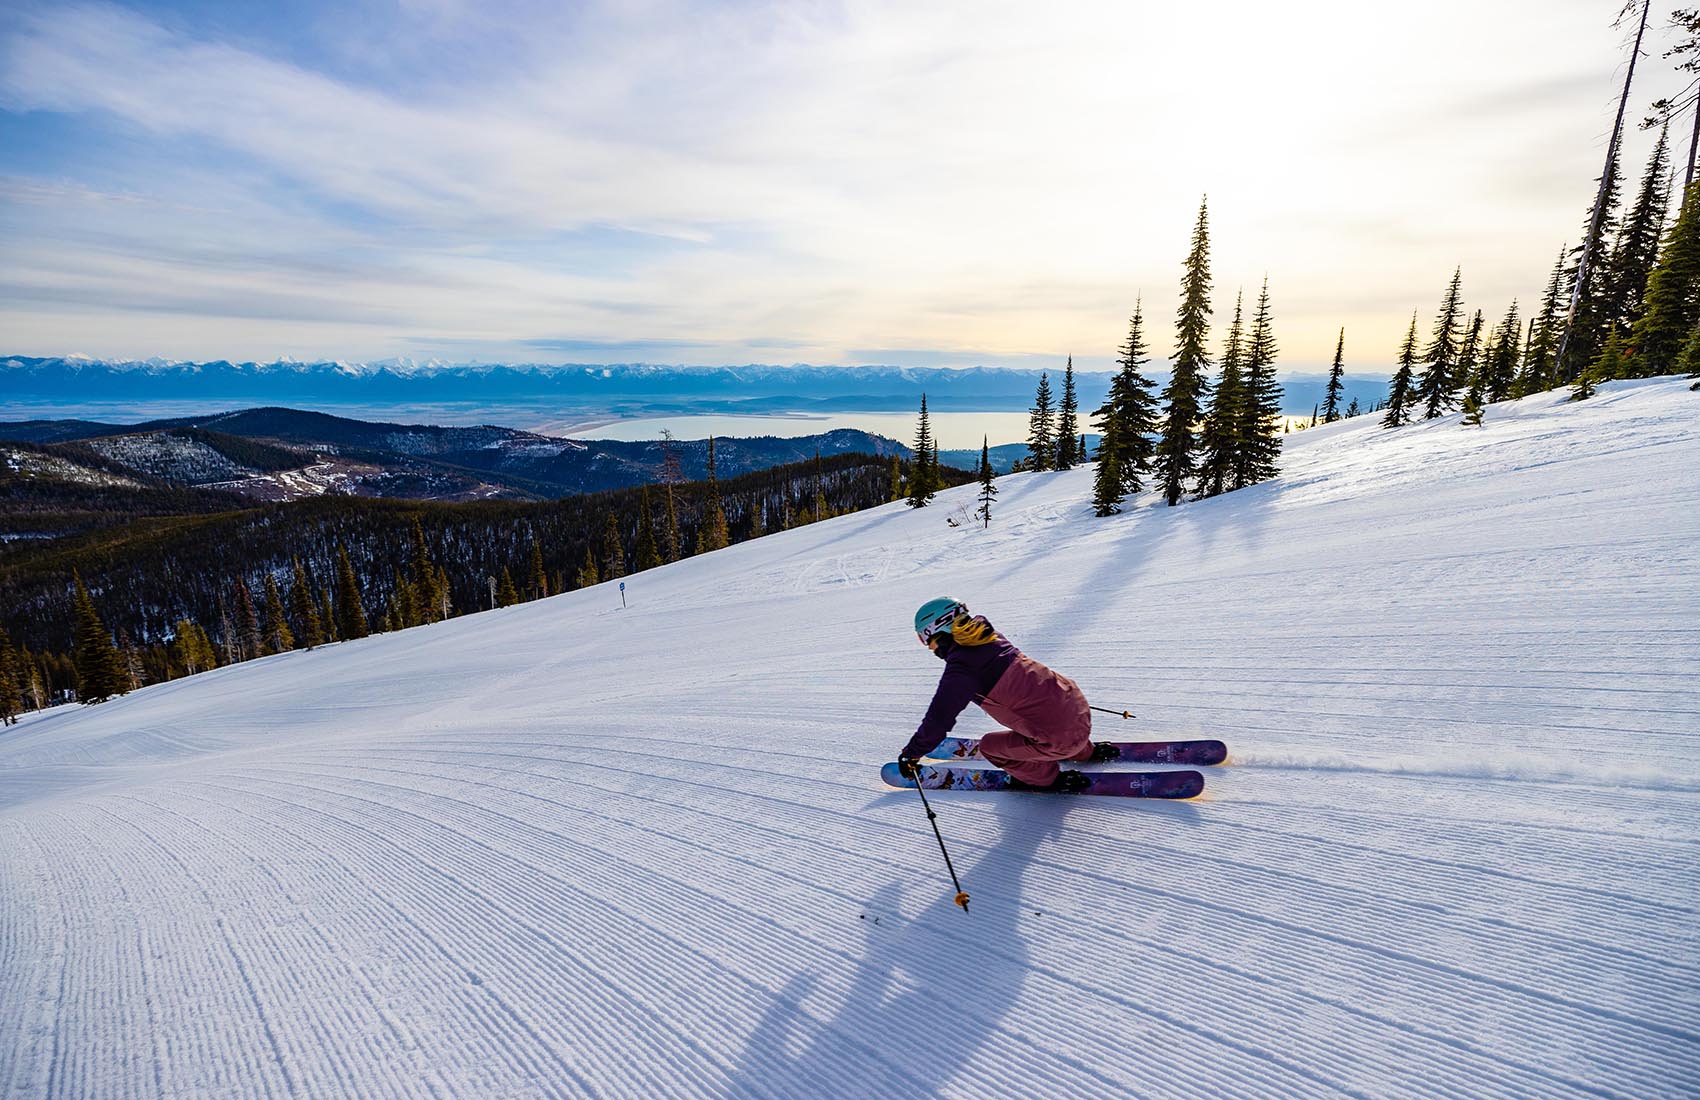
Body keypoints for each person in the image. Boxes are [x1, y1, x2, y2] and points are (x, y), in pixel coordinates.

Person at [897, 597, 1104, 792]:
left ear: (939, 630)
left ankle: (1047, 779)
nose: (929, 647)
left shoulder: (962, 669)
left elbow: (939, 718)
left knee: (990, 747)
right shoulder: (992, 638)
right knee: (1043, 714)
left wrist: (912, 754)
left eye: (925, 638)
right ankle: (1085, 752)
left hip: (1061, 738)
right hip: (1077, 709)